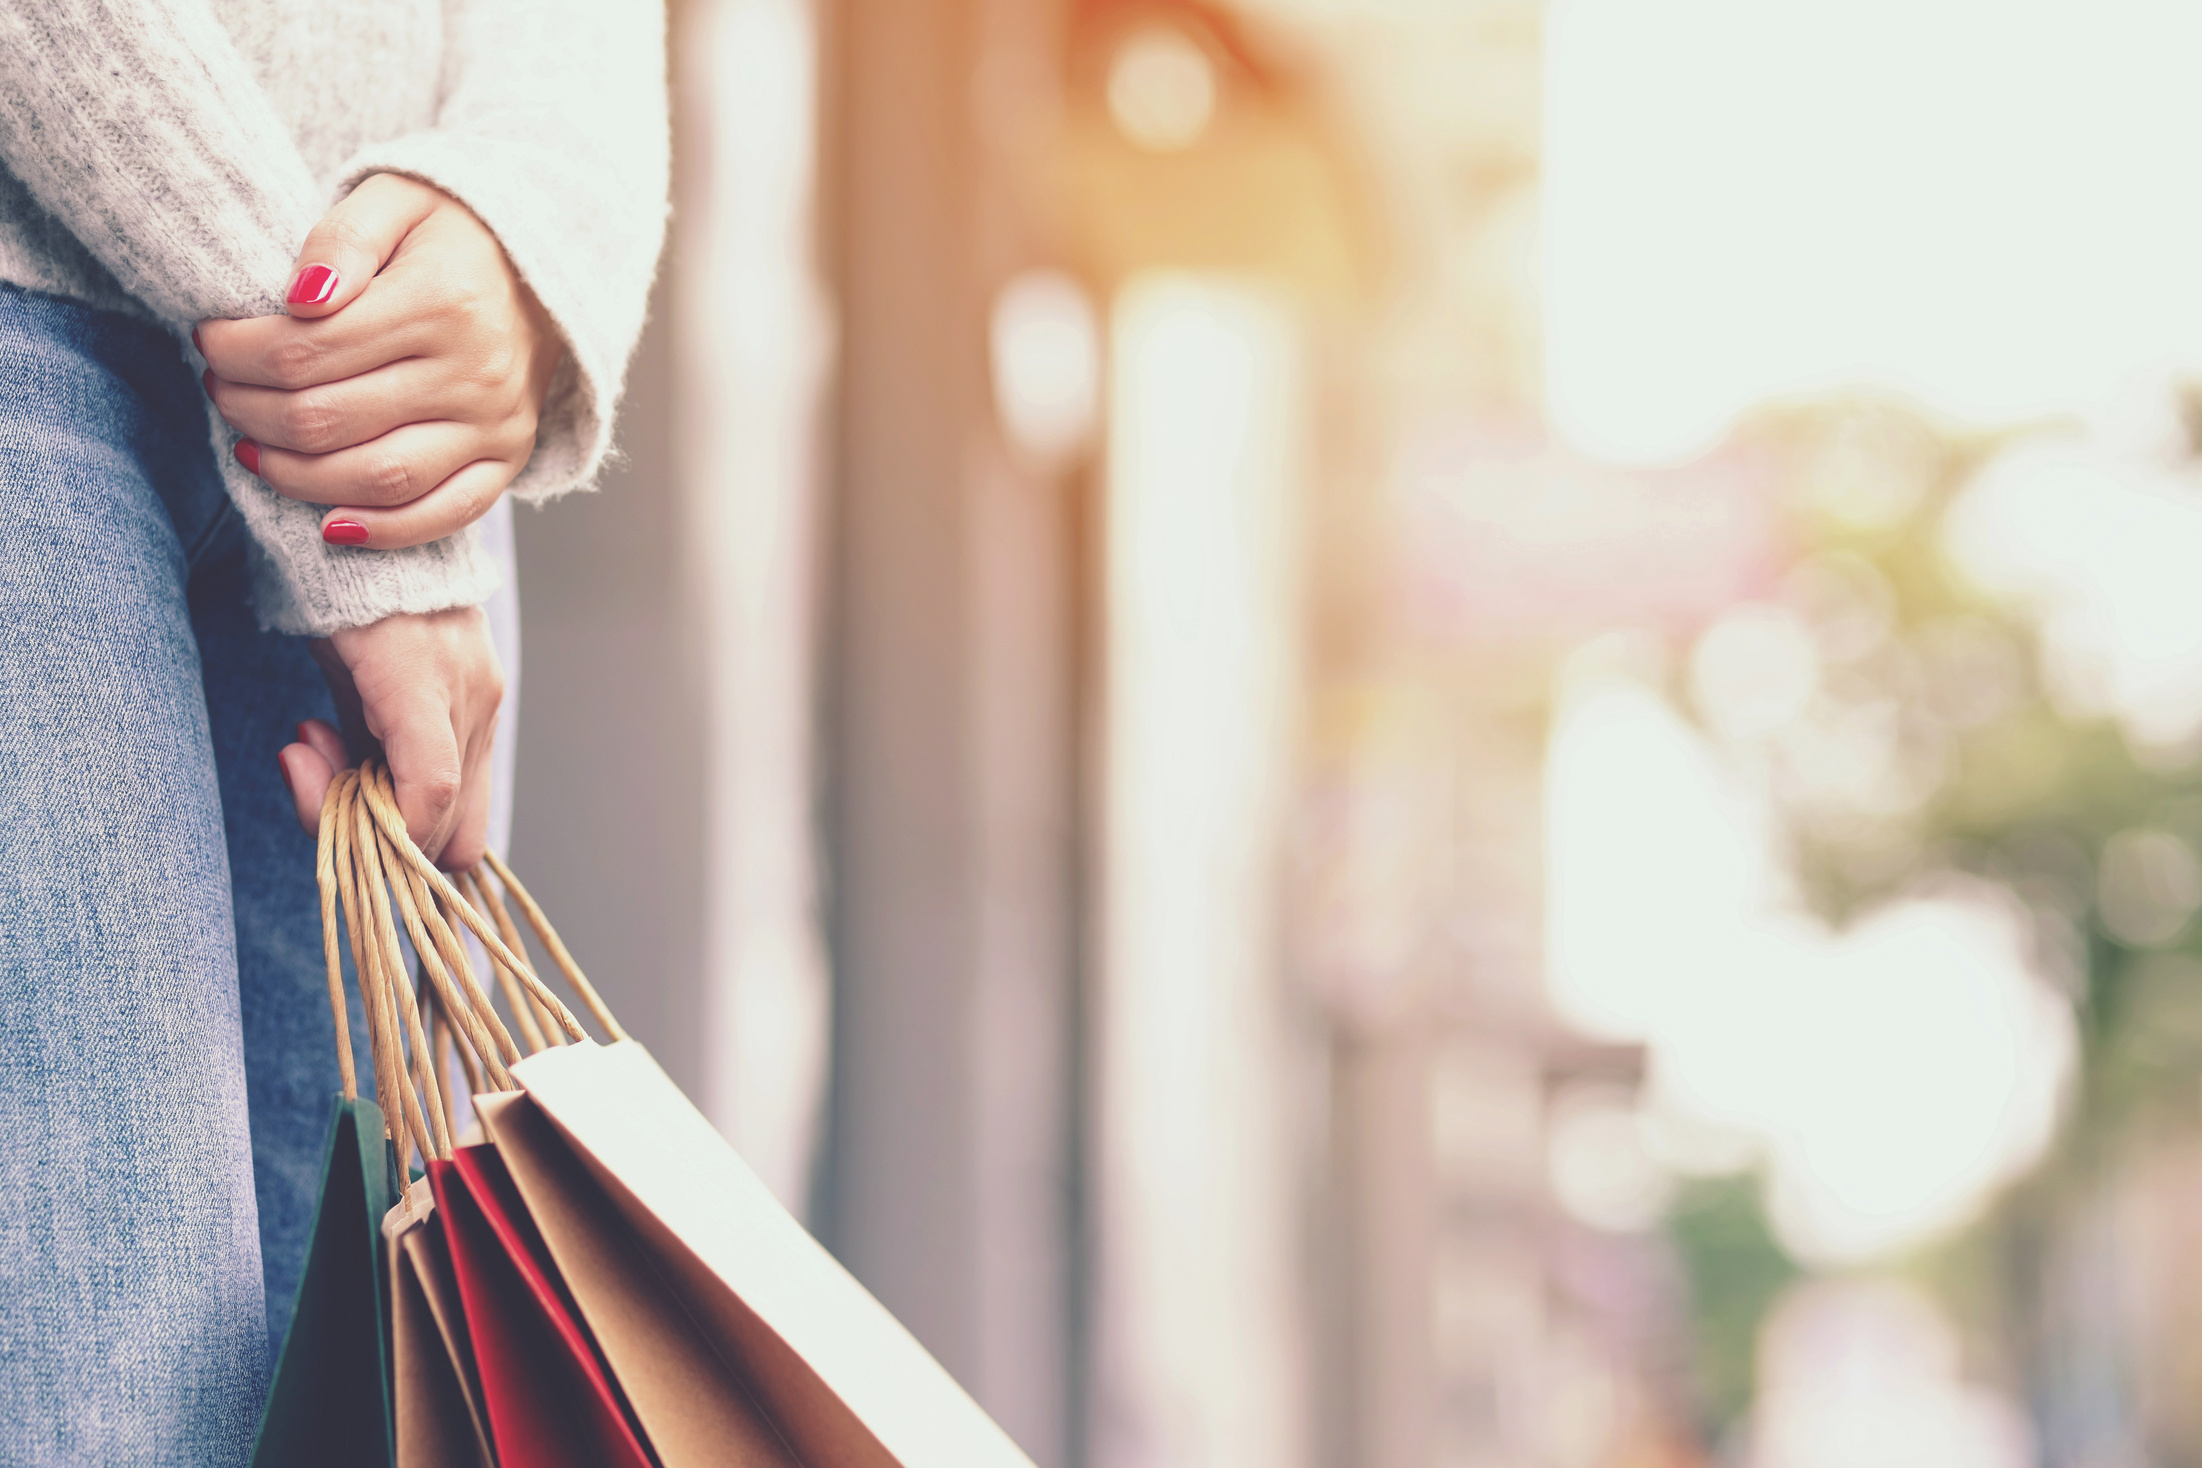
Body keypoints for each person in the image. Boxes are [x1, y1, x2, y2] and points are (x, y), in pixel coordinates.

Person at [0, 0, 666, 1459]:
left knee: (381, 1371)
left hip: (415, 399)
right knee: (124, 1416)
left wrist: (529, 225)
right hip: (56, 317)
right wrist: (328, 396)